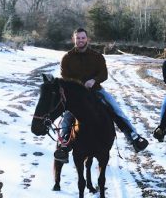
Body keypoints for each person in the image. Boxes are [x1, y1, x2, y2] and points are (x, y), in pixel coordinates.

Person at [54, 28, 149, 163]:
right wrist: (80, 83)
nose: (80, 40)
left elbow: (103, 74)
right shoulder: (67, 58)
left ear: (87, 39)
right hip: (76, 94)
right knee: (68, 115)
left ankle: (133, 136)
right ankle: (63, 144)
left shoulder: (97, 56)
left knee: (115, 109)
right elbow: (64, 77)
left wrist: (94, 80)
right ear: (73, 39)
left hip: (96, 90)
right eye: (78, 38)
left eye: (83, 38)